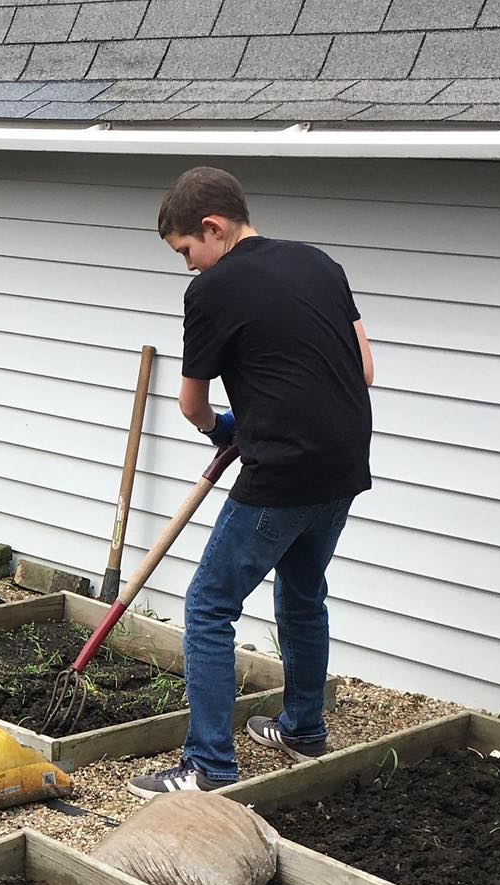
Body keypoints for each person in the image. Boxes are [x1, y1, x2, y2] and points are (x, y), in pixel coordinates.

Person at [129, 166, 374, 798]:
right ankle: (303, 727)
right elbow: (364, 370)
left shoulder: (212, 291)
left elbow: (191, 405)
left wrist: (222, 429)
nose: (188, 266)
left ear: (211, 228)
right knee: (301, 595)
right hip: (343, 462)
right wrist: (258, 415)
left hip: (282, 470)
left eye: (186, 250)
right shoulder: (320, 263)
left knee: (208, 607)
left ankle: (208, 764)